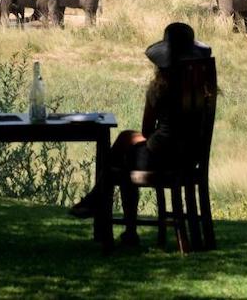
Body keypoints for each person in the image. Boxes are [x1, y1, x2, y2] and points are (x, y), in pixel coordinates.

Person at [68, 22, 212, 246]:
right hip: (190, 156)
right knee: (127, 138)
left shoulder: (161, 87)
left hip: (163, 157)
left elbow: (146, 130)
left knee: (122, 158)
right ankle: (96, 200)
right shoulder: (203, 88)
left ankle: (125, 225)